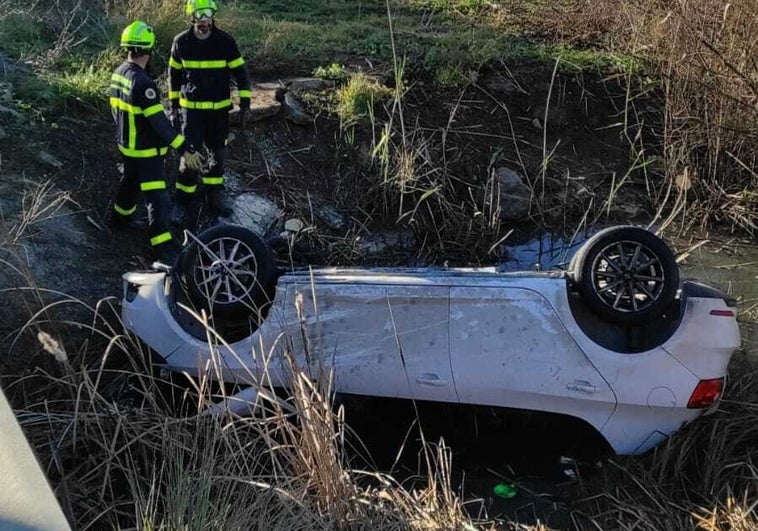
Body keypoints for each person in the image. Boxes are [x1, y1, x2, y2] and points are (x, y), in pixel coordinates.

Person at [110, 20, 204, 262]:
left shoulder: (119, 74)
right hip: (145, 151)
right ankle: (162, 246)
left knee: (129, 183)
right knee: (158, 199)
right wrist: (184, 148)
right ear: (150, 50)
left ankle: (119, 220)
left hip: (126, 146)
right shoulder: (144, 84)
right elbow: (159, 124)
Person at [168, 0, 252, 222]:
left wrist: (245, 104)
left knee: (218, 155)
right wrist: (174, 107)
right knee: (189, 159)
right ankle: (182, 200)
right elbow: (173, 77)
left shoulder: (225, 42)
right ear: (192, 17)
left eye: (208, 14)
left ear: (213, 16)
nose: (204, 19)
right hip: (191, 114)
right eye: (199, 14)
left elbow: (241, 73)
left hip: (218, 113)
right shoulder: (181, 42)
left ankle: (214, 195)